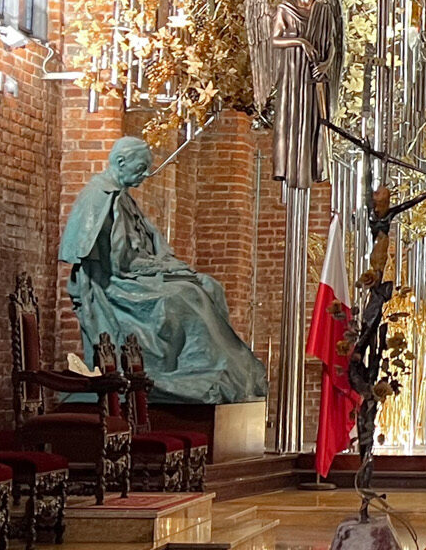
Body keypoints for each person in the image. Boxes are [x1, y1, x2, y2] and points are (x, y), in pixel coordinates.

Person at [59, 137, 269, 404]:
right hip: (113, 285)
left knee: (208, 285)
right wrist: (164, 269)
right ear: (121, 162)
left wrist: (168, 265)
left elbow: (146, 246)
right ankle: (193, 371)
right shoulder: (98, 196)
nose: (146, 173)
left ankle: (228, 370)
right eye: (142, 167)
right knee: (183, 295)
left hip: (132, 274)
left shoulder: (122, 197)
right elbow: (119, 261)